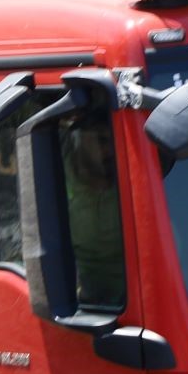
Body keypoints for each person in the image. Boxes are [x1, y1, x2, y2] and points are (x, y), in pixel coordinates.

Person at [66, 120, 125, 308]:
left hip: (128, 306)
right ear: (81, 137)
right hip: (77, 305)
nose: (108, 151)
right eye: (101, 140)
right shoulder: (53, 157)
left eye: (112, 141)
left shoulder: (133, 181)